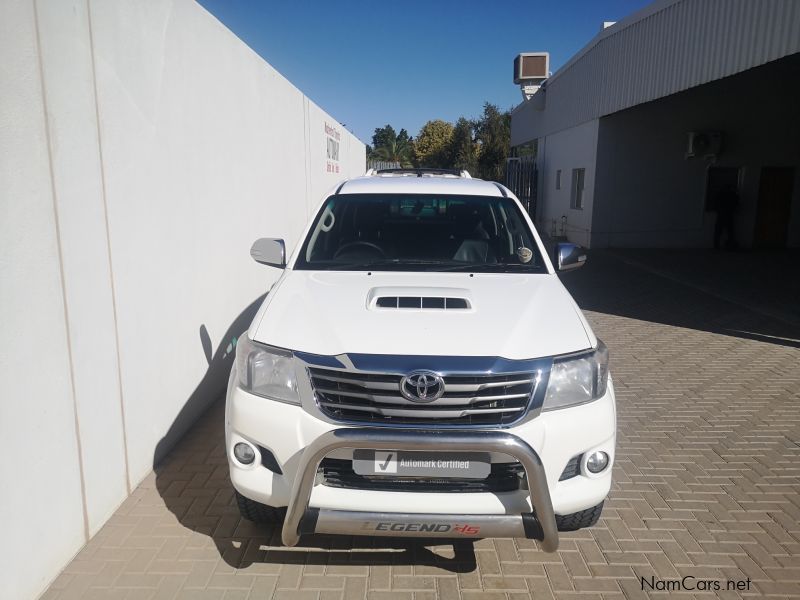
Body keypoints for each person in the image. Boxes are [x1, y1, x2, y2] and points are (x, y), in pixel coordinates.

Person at [713, 184, 739, 250]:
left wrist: (719, 210)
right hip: (728, 214)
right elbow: (736, 202)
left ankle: (717, 246)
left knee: (718, 231)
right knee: (730, 231)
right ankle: (730, 245)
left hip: (722, 214)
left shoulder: (720, 194)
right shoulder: (732, 195)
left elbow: (715, 203)